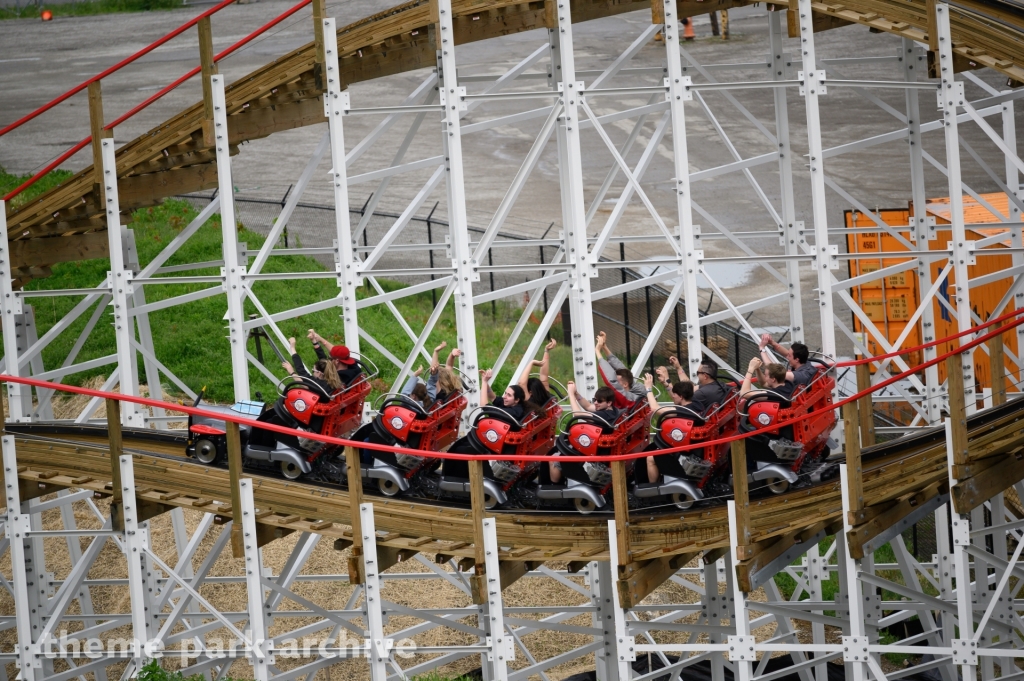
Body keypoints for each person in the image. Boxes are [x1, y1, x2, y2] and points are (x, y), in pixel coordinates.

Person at [549, 382, 621, 484]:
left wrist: (570, 394)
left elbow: (577, 414)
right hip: (595, 448)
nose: (595, 403)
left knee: (553, 459)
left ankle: (554, 485)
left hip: (594, 451)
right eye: (594, 400)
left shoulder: (603, 416)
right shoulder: (612, 411)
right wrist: (576, 394)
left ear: (609, 403)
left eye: (599, 401)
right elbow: (588, 406)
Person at [594, 331, 647, 406]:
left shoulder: (628, 398)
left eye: (617, 380)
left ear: (625, 384)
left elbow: (612, 382)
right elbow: (622, 370)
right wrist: (604, 346)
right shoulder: (635, 390)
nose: (615, 380)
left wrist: (597, 350)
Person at [518, 338, 556, 410]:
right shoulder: (547, 397)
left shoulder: (530, 402)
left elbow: (522, 383)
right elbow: (544, 376)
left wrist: (531, 362)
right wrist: (546, 351)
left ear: (530, 392)